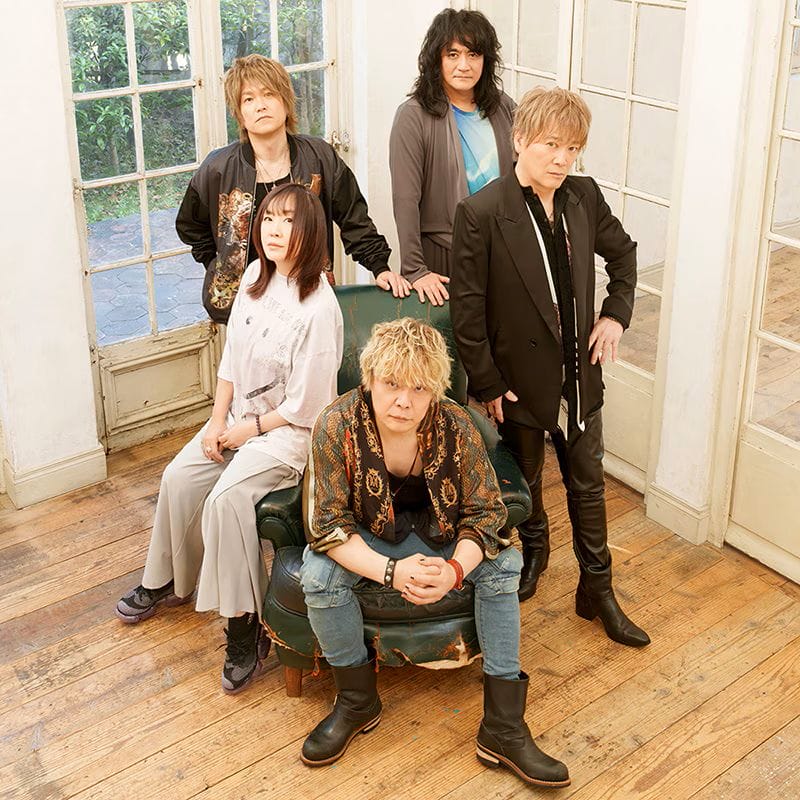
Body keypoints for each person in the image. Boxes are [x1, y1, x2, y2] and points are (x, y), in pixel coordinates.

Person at [298, 318, 570, 789]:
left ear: (436, 392)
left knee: (505, 564)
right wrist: (390, 571)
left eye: (419, 389)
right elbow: (327, 525)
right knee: (318, 577)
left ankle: (502, 727)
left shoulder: (456, 424)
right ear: (370, 380)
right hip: (370, 539)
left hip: (440, 535)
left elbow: (487, 513)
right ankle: (357, 702)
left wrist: (453, 570)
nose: (403, 401)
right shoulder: (335, 424)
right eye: (391, 385)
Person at [116, 184, 344, 694]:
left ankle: (246, 628)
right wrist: (217, 424)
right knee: (178, 475)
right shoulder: (253, 278)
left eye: (288, 221)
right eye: (268, 220)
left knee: (226, 501)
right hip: (238, 416)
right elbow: (231, 362)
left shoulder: (320, 304)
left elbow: (308, 406)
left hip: (288, 434)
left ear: (310, 232)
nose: (275, 230)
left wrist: (248, 430)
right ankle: (169, 579)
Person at [450, 87, 650, 647]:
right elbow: (468, 310)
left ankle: (598, 589)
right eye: (551, 145)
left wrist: (615, 314)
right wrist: (487, 381)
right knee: (530, 481)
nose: (562, 159)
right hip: (517, 384)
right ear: (519, 141)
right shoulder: (482, 212)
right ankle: (535, 552)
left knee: (588, 485)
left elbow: (624, 253)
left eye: (573, 149)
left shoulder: (584, 196)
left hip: (581, 377)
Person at [177, 54, 410, 324]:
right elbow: (190, 227)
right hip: (245, 306)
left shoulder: (319, 157)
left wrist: (379, 267)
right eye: (248, 99)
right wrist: (219, 265)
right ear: (239, 114)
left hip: (308, 299)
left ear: (286, 102)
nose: (260, 106)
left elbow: (353, 217)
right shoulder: (217, 168)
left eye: (269, 94)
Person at [389, 8, 515, 307]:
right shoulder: (412, 116)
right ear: (437, 59)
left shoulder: (504, 107)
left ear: (486, 59)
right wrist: (415, 269)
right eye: (453, 54)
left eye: (473, 54)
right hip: (444, 255)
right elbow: (405, 199)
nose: (464, 65)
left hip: (503, 250)